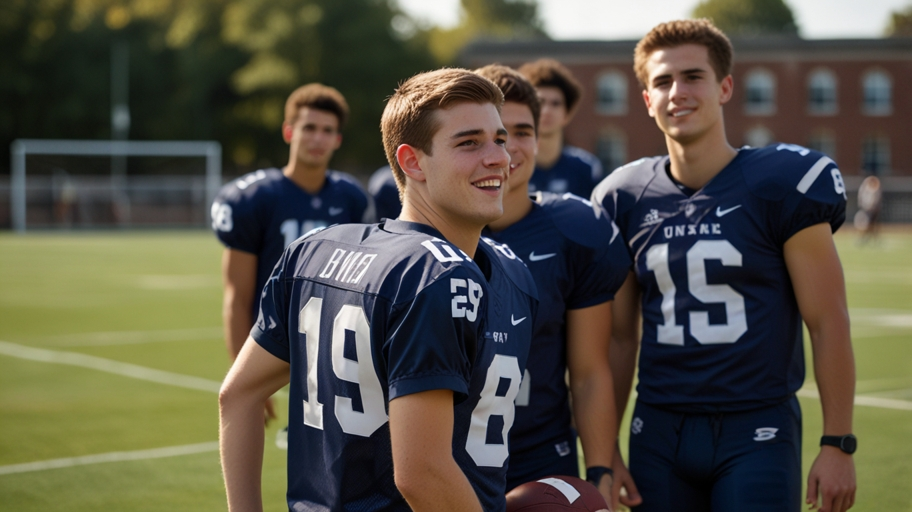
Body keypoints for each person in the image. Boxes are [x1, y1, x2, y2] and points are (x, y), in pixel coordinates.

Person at [218, 68, 538, 512]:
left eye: (500, 140)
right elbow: (421, 474)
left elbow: (236, 395)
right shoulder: (442, 276)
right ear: (412, 162)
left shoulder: (314, 251)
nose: (500, 158)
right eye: (469, 143)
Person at [591, 19, 857, 512]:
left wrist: (838, 442)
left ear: (725, 87)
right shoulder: (623, 197)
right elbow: (620, 338)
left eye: (693, 76)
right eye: (663, 82)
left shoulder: (781, 182)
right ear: (647, 100)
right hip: (658, 430)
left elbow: (828, 322)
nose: (678, 92)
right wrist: (603, 456)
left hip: (756, 427)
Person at [475, 64, 631, 505]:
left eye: (522, 132)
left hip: (543, 456)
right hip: (446, 456)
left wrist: (600, 465)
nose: (507, 148)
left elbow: (587, 371)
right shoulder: (426, 237)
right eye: (493, 134)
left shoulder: (574, 229)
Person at [210, 83, 373, 422]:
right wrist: (242, 369)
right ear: (289, 131)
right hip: (271, 335)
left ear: (337, 139)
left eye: (327, 131)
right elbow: (236, 296)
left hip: (331, 339)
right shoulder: (255, 198)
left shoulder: (350, 198)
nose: (318, 139)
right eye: (309, 128)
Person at [518, 58, 604, 199]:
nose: (546, 110)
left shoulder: (586, 169)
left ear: (567, 114)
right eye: (539, 102)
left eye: (556, 103)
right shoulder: (510, 167)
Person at [854, 174, 882, 244]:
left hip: (873, 210)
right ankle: (864, 238)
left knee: (873, 226)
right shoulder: (865, 189)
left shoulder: (874, 190)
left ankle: (874, 239)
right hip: (865, 209)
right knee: (863, 225)